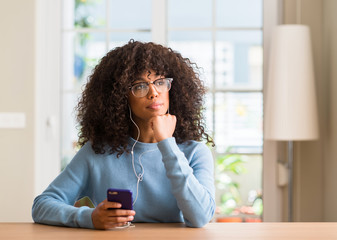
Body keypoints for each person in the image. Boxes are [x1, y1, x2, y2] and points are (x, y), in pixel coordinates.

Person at [32, 40, 215, 229]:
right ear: (119, 96)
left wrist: (167, 144)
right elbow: (42, 206)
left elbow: (201, 217)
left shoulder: (195, 152)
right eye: (140, 86)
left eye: (160, 82)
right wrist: (89, 217)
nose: (153, 93)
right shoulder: (98, 152)